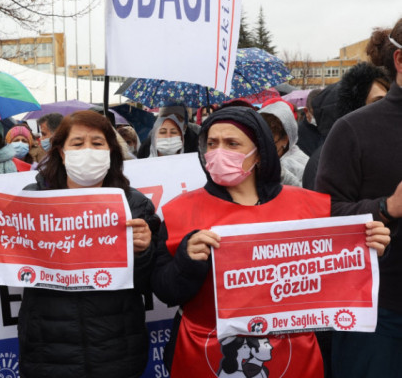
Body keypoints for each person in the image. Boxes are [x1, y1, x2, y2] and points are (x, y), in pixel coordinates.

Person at [150, 106, 390, 378]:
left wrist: (369, 248)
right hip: (206, 355)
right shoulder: (180, 211)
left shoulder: (305, 207)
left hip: (292, 355)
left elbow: (335, 269)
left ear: (259, 152)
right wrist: (186, 261)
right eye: (212, 143)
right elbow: (164, 290)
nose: (219, 152)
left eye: (232, 144)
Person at [0, 110, 160, 378]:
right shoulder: (32, 200)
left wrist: (143, 252)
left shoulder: (134, 204)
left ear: (110, 150)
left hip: (117, 353)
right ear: (62, 152)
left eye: (97, 143)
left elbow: (150, 282)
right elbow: (8, 269)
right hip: (47, 353)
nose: (88, 150)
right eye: (77, 143)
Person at [315, 18, 402, 377]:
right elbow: (321, 217)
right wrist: (386, 208)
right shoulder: (353, 129)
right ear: (399, 62)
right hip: (378, 317)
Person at [302, 62, 390, 190]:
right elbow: (329, 207)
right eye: (378, 102)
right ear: (356, 108)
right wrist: (385, 206)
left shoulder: (385, 149)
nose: (387, 108)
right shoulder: (327, 160)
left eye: (388, 101)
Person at [258, 99, 309, 187]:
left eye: (270, 142)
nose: (262, 147)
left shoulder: (300, 163)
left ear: (285, 139)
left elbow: (305, 193)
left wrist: (280, 173)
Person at [296, 89, 324, 157]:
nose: (319, 118)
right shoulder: (297, 133)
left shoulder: (330, 128)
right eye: (315, 114)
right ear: (306, 111)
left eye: (321, 113)